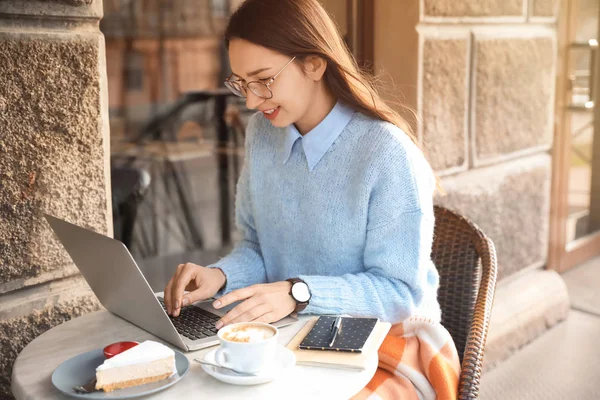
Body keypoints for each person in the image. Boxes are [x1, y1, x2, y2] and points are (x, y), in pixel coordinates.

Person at [163, 0, 441, 331]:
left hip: (389, 337)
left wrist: (299, 293)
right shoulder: (262, 134)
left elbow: (399, 292)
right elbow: (257, 246)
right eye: (241, 82)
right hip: (295, 332)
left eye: (264, 79)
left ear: (313, 64)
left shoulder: (386, 152)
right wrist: (221, 275)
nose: (251, 101)